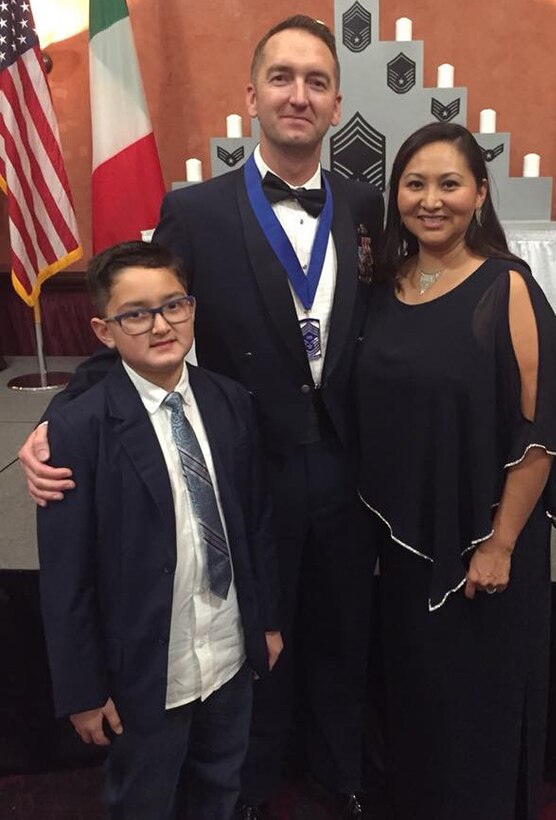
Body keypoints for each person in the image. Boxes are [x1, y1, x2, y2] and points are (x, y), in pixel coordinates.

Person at [19, 16, 384, 820]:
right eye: (283, 78)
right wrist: (65, 407)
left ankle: (339, 774)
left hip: (351, 465)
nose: (299, 95)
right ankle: (248, 788)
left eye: (316, 81)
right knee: (258, 633)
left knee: (343, 627)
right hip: (247, 467)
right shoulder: (195, 208)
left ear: (336, 102)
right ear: (251, 94)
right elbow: (145, 321)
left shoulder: (364, 201)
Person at [355, 123, 556, 820]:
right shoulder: (383, 285)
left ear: (480, 194)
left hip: (483, 549)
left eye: (449, 184)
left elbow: (538, 429)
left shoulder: (507, 286)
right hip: (402, 545)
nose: (431, 200)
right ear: (396, 193)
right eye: (415, 183)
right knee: (415, 702)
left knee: (475, 711)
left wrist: (500, 543)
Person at [36, 241, 282, 820]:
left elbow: (256, 524)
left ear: (192, 309)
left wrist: (266, 620)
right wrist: (82, 689)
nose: (161, 325)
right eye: (136, 314)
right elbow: (65, 577)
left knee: (221, 786)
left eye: (174, 305)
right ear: (103, 329)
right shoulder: (78, 429)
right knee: (144, 798)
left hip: (226, 650)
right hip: (145, 670)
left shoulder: (230, 403)